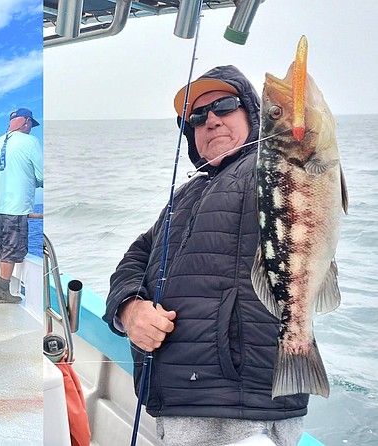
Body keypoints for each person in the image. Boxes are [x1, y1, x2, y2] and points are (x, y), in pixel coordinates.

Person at [102, 66, 307, 446]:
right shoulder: (185, 195)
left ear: (252, 114)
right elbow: (136, 256)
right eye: (196, 117)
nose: (210, 121)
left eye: (224, 106)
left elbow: (307, 161)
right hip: (175, 403)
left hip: (243, 413)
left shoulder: (269, 169)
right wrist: (130, 309)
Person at [0, 108, 43, 303]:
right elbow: (41, 175)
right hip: (16, 207)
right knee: (10, 247)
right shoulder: (31, 142)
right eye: (31, 124)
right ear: (25, 121)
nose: (31, 128)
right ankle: (3, 291)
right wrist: (35, 182)